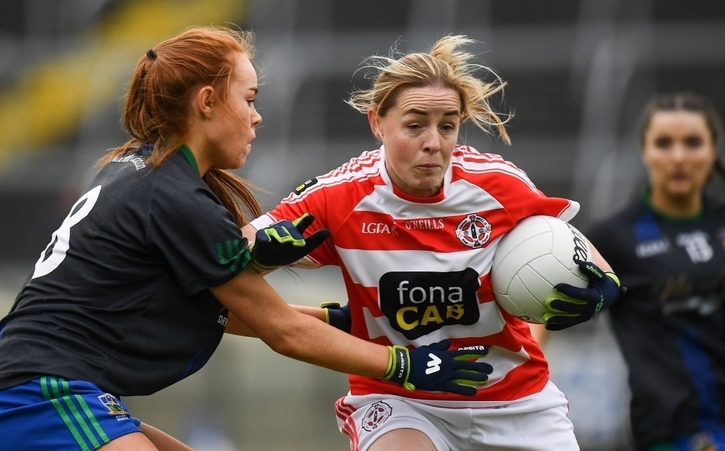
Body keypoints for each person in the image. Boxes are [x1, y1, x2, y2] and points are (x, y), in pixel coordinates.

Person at [0, 27, 495, 451]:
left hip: (44, 387)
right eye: (250, 99)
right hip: (40, 394)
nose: (257, 116)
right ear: (208, 101)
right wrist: (407, 364)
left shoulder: (142, 170)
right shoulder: (177, 199)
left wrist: (337, 318)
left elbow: (228, 311)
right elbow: (282, 330)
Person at [244, 35, 624, 451]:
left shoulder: (497, 185)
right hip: (398, 397)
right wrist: (258, 255)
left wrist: (604, 286)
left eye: (447, 126)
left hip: (514, 401)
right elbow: (241, 250)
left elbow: (562, 242)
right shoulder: (340, 196)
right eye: (414, 124)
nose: (433, 142)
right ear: (377, 123)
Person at [583, 92, 725, 451]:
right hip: (670, 431)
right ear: (645, 152)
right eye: (664, 144)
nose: (679, 157)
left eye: (693, 143)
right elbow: (545, 308)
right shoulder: (612, 237)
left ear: (713, 151)